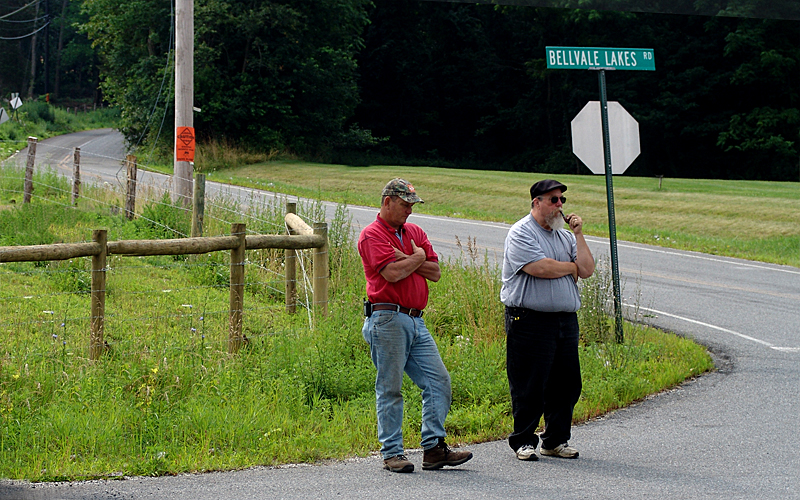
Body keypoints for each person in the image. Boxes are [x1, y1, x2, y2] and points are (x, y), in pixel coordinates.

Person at [358, 178, 473, 473]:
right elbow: (393, 273)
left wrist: (413, 256)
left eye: (412, 205)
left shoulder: (414, 232)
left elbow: (434, 272)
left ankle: (434, 448)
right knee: (390, 387)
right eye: (405, 204)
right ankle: (392, 453)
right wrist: (417, 257)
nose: (410, 210)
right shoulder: (372, 235)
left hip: (416, 320)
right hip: (387, 317)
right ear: (387, 202)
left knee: (438, 381)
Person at [500, 179, 595, 462]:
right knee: (530, 382)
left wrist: (579, 234)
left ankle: (555, 440)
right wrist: (570, 267)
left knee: (566, 384)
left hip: (565, 321)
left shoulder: (565, 237)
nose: (560, 206)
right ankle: (523, 441)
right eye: (553, 200)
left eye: (562, 200)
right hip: (530, 319)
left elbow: (587, 269)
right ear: (536, 203)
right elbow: (540, 268)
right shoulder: (521, 233)